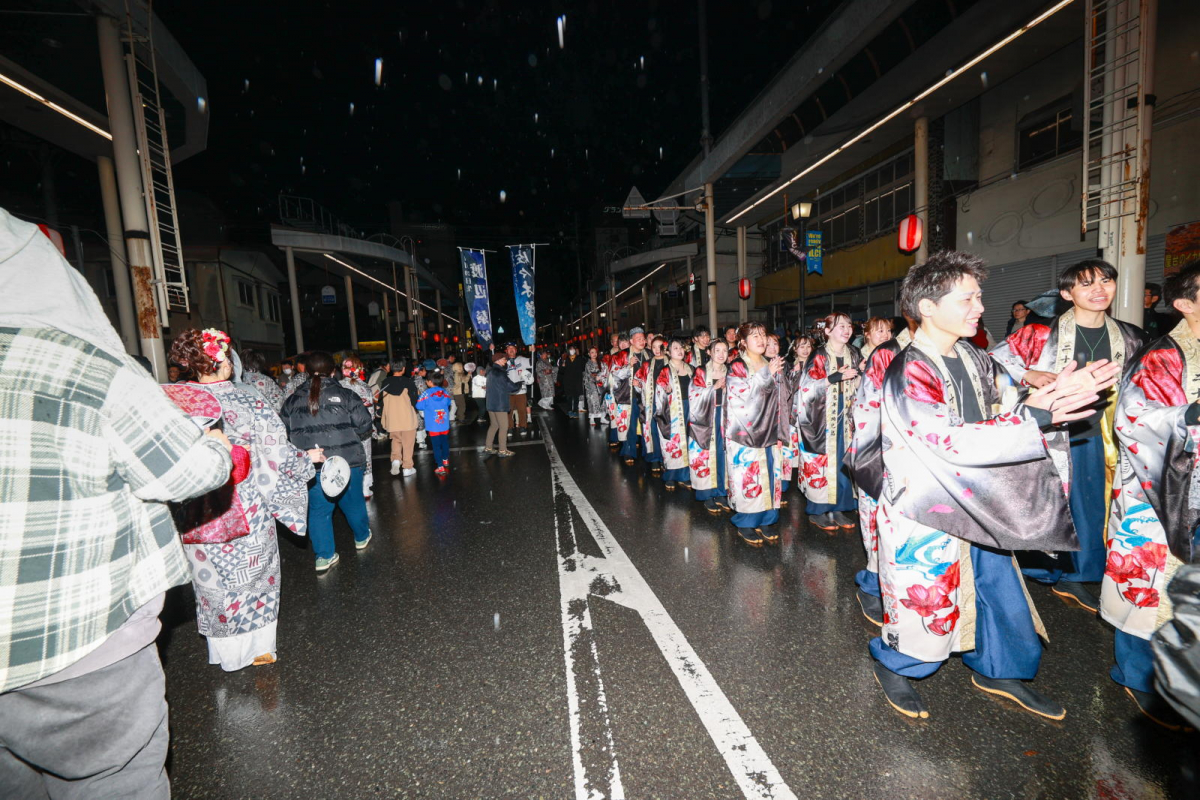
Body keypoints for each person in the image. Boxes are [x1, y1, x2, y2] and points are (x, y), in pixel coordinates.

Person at [0, 208, 232, 797]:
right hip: (77, 637)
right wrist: (217, 446)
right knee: (113, 776)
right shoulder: (80, 363)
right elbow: (186, 469)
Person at [869, 250, 1118, 721]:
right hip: (929, 504)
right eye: (968, 298)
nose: (979, 307)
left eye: (979, 297)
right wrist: (1036, 415)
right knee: (929, 596)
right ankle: (896, 664)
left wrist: (1051, 394)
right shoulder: (910, 370)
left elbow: (1012, 402)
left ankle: (1000, 668)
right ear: (927, 307)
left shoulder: (976, 357)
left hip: (982, 493)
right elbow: (945, 439)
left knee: (998, 585)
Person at [991, 259, 1146, 613]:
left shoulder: (1131, 336)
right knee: (1051, 500)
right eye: (1087, 284)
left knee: (1092, 506)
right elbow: (993, 362)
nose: (1099, 290)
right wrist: (1028, 373)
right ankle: (1043, 567)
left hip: (1102, 434)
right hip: (1052, 430)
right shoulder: (1038, 334)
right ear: (1066, 293)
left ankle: (1078, 575)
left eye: (1105, 281)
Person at [168, 328, 313, 669]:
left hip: (197, 508)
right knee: (255, 578)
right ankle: (259, 649)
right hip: (245, 502)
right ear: (224, 361)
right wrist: (307, 463)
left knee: (211, 582)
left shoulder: (173, 403)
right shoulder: (246, 400)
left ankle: (226, 654)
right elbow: (277, 451)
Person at [1099, 261, 1200, 730]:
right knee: (1145, 590)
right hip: (1160, 495)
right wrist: (1191, 417)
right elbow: (1137, 421)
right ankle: (1140, 677)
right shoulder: (1164, 356)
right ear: (1184, 303)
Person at [846, 315, 916, 627]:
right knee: (877, 518)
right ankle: (874, 581)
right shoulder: (885, 354)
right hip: (883, 452)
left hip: (925, 458)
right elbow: (865, 409)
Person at [280, 351, 374, 573]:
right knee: (353, 503)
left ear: (305, 372)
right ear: (334, 371)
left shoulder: (292, 400)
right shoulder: (347, 395)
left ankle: (324, 556)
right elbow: (364, 424)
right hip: (347, 460)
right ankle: (361, 537)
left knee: (319, 511)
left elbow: (282, 431)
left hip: (313, 465)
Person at [725, 322, 789, 547]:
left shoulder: (768, 362)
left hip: (770, 429)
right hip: (746, 432)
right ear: (743, 342)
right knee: (749, 476)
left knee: (771, 473)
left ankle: (767, 519)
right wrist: (766, 376)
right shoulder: (737, 366)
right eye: (754, 336)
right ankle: (746, 522)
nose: (761, 339)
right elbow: (739, 397)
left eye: (763, 335)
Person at [796, 312, 862, 531]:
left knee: (844, 462)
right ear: (827, 332)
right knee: (823, 463)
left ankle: (840, 508)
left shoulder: (854, 352)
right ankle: (818, 510)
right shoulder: (819, 356)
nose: (846, 330)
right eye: (840, 326)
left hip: (847, 417)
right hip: (822, 420)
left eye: (849, 325)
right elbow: (806, 389)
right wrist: (835, 377)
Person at [689, 339, 731, 514]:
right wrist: (713, 388)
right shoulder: (700, 371)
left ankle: (721, 492)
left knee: (723, 455)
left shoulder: (731, 372)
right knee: (706, 456)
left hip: (725, 417)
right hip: (705, 419)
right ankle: (707, 495)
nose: (721, 355)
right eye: (717, 351)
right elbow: (693, 395)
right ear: (710, 352)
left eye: (725, 351)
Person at [654, 336, 695, 489]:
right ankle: (670, 475)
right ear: (668, 352)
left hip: (690, 409)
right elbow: (659, 390)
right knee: (673, 442)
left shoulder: (691, 369)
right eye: (675, 348)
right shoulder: (665, 370)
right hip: (672, 410)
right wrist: (665, 389)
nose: (679, 351)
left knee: (688, 441)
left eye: (681, 348)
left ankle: (684, 475)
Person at [340, 354, 376, 498]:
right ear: (359, 368)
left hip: (344, 430)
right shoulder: (364, 386)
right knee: (365, 457)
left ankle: (348, 489)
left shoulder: (338, 386)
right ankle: (365, 488)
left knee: (347, 458)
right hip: (363, 429)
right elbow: (370, 412)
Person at [635, 335, 670, 472]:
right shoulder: (647, 364)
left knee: (667, 431)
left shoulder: (672, 363)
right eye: (654, 347)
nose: (656, 350)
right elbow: (638, 382)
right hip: (651, 403)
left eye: (660, 347)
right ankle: (655, 458)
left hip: (667, 404)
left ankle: (666, 459)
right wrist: (637, 384)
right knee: (653, 431)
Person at [618, 328, 652, 464]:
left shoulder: (649, 354)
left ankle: (647, 452)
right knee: (630, 425)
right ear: (631, 341)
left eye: (643, 339)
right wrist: (627, 366)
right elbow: (614, 376)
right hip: (629, 395)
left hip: (645, 395)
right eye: (638, 339)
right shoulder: (623, 355)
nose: (642, 341)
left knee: (646, 424)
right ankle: (629, 450)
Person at [380, 359, 419, 478]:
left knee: (396, 440)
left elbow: (381, 401)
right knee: (408, 443)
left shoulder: (385, 382)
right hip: (407, 417)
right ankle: (407, 467)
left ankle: (396, 459)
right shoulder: (408, 382)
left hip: (393, 418)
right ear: (403, 369)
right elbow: (414, 400)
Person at [416, 371, 455, 475]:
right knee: (445, 442)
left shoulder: (426, 394)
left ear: (429, 382)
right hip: (444, 423)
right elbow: (448, 403)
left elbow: (419, 406)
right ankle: (445, 459)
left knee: (436, 446)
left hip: (433, 425)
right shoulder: (445, 392)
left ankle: (440, 466)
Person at [486, 352, 519, 456]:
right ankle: (502, 450)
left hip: (491, 403)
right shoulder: (500, 372)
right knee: (504, 426)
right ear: (498, 360)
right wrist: (520, 383)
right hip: (499, 404)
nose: (506, 361)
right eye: (504, 359)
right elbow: (511, 387)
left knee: (494, 425)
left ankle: (488, 447)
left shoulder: (490, 372)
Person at [560, 345, 585, 419]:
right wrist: (563, 365)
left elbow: (583, 368)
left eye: (573, 349)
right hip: (568, 381)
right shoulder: (566, 359)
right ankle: (569, 410)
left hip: (577, 380)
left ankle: (575, 411)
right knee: (569, 397)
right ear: (568, 351)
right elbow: (561, 370)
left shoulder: (579, 359)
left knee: (576, 397)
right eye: (570, 349)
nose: (572, 350)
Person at [583, 347, 606, 425]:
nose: (594, 354)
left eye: (595, 352)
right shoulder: (588, 364)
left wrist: (601, 376)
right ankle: (592, 418)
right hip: (591, 385)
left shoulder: (601, 362)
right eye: (592, 352)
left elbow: (604, 371)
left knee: (602, 400)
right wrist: (596, 376)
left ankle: (602, 417)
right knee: (593, 401)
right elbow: (589, 374)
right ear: (589, 354)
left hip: (600, 384)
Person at [447, 353, 469, 423]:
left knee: (459, 405)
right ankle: (461, 417)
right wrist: (469, 374)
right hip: (458, 392)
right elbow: (464, 380)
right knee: (462, 405)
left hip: (458, 391)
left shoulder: (456, 373)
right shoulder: (458, 374)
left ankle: (459, 416)